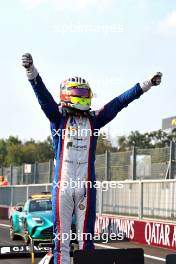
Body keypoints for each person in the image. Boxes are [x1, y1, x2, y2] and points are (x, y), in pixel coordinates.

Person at [22, 53, 162, 264]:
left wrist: (146, 85)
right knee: (62, 242)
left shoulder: (94, 119)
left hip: (87, 188)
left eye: (86, 92)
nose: (85, 96)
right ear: (68, 94)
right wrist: (31, 71)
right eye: (80, 92)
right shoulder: (58, 117)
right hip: (63, 187)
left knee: (86, 242)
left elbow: (119, 102)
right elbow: (43, 97)